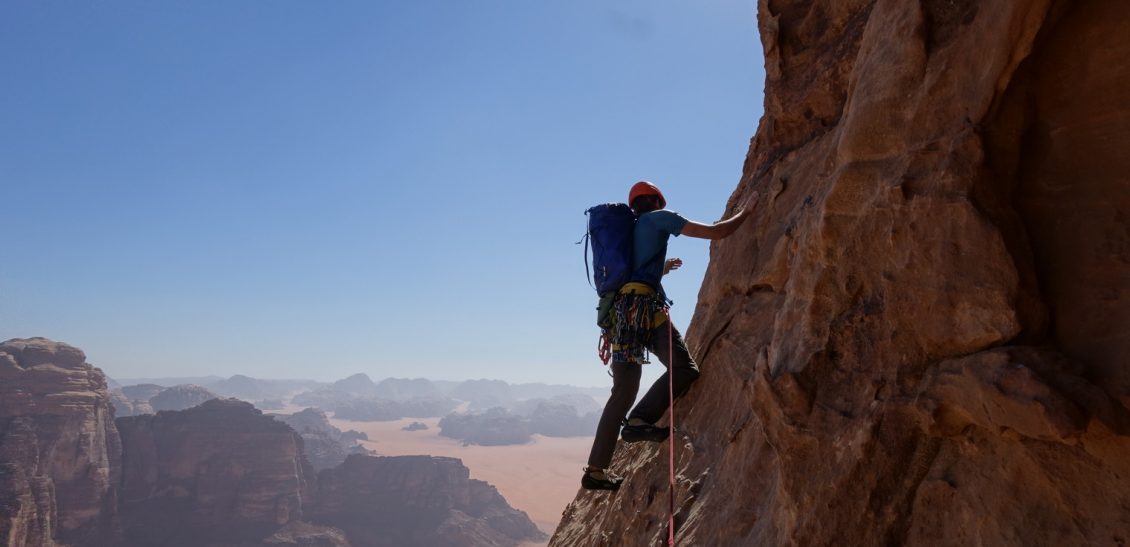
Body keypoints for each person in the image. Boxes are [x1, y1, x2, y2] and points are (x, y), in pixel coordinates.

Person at [582, 180, 757, 491]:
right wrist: (748, 211)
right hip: (645, 312)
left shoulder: (631, 232)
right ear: (657, 200)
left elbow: (633, 272)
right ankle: (639, 422)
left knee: (622, 391)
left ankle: (595, 470)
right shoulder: (660, 218)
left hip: (619, 317)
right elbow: (717, 232)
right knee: (684, 368)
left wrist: (661, 269)